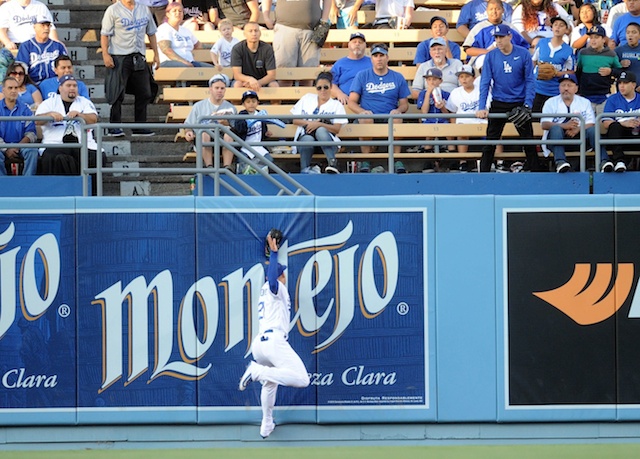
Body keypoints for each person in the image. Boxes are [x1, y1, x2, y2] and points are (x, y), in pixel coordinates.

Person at [238, 233, 310, 440]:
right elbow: (272, 278)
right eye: (283, 274)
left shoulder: (266, 291)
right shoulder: (276, 289)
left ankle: (266, 423)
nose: (285, 276)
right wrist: (275, 253)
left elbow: (271, 276)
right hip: (273, 342)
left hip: (260, 345)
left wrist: (270, 253)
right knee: (302, 379)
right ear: (279, 277)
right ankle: (256, 371)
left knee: (270, 383)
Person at [476, 24, 541, 172]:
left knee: (528, 142)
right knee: (490, 143)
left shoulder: (523, 53)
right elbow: (485, 82)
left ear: (510, 36)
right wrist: (481, 107)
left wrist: (527, 104)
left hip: (518, 103)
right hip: (498, 102)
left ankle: (537, 174)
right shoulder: (491, 56)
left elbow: (530, 80)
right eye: (496, 37)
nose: (498, 40)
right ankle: (483, 175)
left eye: (501, 37)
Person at [101, 0, 159, 137]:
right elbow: (105, 34)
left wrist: (156, 54)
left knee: (144, 92)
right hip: (119, 55)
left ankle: (139, 126)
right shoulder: (113, 10)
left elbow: (151, 33)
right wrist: (105, 54)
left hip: (139, 55)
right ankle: (114, 126)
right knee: (117, 92)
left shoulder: (144, 9)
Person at [348, 43, 411, 160]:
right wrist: (362, 111)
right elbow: (351, 101)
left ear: (387, 57)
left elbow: (404, 104)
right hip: (369, 115)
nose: (379, 59)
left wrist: (398, 110)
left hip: (389, 115)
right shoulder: (362, 75)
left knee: (397, 118)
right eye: (375, 56)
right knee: (365, 118)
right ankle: (366, 160)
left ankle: (396, 159)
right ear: (371, 58)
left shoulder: (398, 77)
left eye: (381, 55)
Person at [35, 75, 100, 175]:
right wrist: (49, 115)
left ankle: (92, 190)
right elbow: (37, 121)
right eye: (68, 85)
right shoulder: (49, 103)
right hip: (55, 144)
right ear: (60, 88)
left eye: (74, 86)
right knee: (56, 158)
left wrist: (80, 115)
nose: (72, 88)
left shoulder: (84, 102)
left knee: (96, 157)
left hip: (82, 144)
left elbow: (93, 119)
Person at [540, 73, 601, 173]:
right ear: (559, 88)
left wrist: (578, 129)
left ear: (576, 88)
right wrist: (564, 126)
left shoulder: (584, 102)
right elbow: (544, 124)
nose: (566, 88)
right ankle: (560, 162)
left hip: (579, 140)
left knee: (592, 131)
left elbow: (591, 123)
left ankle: (603, 161)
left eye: (569, 85)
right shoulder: (550, 102)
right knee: (555, 129)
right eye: (563, 85)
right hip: (556, 140)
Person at [261, 0, 331, 84]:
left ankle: (306, 97)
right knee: (284, 73)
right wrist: (266, 17)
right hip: (285, 27)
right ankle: (283, 97)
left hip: (311, 30)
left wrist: (324, 20)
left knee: (308, 75)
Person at [291, 72, 347, 174]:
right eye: (319, 88)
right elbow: (295, 120)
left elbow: (337, 129)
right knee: (308, 139)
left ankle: (333, 163)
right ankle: (304, 170)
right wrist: (310, 124)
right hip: (306, 136)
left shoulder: (336, 105)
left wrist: (319, 124)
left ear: (330, 87)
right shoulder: (307, 98)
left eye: (325, 87)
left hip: (327, 141)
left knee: (321, 131)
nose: (322, 90)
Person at [184, 74, 237, 170]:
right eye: (217, 88)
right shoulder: (198, 106)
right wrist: (188, 132)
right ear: (210, 89)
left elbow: (236, 127)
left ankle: (227, 167)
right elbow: (188, 125)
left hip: (223, 137)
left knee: (229, 135)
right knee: (205, 133)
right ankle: (209, 166)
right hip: (204, 137)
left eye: (222, 88)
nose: (219, 91)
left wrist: (227, 123)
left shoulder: (231, 107)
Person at [532, 16, 575, 114]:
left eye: (561, 25)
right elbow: (533, 61)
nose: (557, 28)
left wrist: (556, 73)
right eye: (555, 25)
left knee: (553, 121)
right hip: (538, 88)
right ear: (552, 28)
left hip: (554, 91)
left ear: (566, 29)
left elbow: (571, 71)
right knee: (535, 121)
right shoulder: (542, 43)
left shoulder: (568, 50)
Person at [576, 25, 622, 115]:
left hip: (603, 95)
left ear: (604, 39)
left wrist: (611, 71)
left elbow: (620, 72)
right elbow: (578, 72)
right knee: (587, 124)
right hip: (586, 96)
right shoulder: (583, 53)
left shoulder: (611, 54)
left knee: (602, 123)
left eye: (596, 37)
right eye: (591, 37)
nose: (593, 40)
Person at [463, 0, 529, 62]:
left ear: (503, 10)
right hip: (484, 61)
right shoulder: (479, 28)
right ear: (487, 11)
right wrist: (487, 52)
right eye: (491, 9)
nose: (494, 12)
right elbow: (468, 49)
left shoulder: (511, 28)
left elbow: (524, 47)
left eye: (497, 9)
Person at [231, 90, 279, 174]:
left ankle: (259, 176)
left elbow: (262, 131)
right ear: (244, 104)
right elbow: (239, 129)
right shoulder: (241, 115)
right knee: (243, 161)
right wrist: (248, 123)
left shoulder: (260, 114)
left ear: (258, 102)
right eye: (248, 102)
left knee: (269, 160)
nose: (251, 104)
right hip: (245, 147)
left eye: (253, 101)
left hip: (259, 146)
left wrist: (266, 134)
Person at [600, 71, 640, 172]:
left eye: (625, 83)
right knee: (615, 126)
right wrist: (624, 123)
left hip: (636, 133)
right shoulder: (613, 99)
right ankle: (619, 161)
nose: (622, 86)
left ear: (634, 85)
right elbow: (606, 123)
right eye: (620, 83)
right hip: (619, 135)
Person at [0, 76, 38, 176]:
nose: (13, 91)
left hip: (21, 146)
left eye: (16, 88)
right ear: (3, 90)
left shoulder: (25, 109)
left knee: (32, 151)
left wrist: (17, 147)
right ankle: (3, 185)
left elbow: (31, 133)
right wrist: (6, 149)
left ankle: (27, 184)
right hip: (1, 146)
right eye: (10, 88)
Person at [156, 2, 213, 67]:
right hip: (169, 62)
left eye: (180, 11)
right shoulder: (164, 28)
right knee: (187, 68)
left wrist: (215, 46)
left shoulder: (185, 30)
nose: (178, 13)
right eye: (174, 11)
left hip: (189, 62)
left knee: (212, 69)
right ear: (168, 14)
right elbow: (166, 50)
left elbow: (199, 45)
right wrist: (184, 62)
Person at [16, 16, 67, 84]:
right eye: (42, 25)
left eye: (48, 25)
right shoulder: (26, 46)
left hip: (55, 84)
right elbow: (21, 69)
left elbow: (66, 68)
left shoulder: (58, 46)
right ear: (34, 27)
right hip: (33, 84)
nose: (46, 28)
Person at [416, 68, 451, 164]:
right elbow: (424, 112)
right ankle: (428, 162)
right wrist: (428, 94)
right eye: (429, 79)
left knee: (450, 133)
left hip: (443, 120)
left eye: (434, 79)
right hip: (429, 120)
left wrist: (442, 107)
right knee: (429, 134)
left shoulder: (446, 94)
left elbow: (447, 115)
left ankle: (452, 160)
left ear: (440, 81)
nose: (431, 82)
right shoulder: (423, 94)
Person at [231, 21, 278, 90]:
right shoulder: (237, 48)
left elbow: (271, 75)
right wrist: (249, 79)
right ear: (245, 34)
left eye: (256, 31)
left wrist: (256, 83)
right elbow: (237, 75)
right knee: (237, 84)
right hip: (244, 81)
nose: (254, 34)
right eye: (250, 31)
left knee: (274, 85)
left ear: (260, 33)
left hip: (263, 81)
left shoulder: (267, 48)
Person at [331, 32, 371, 105]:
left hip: (368, 101)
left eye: (360, 42)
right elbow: (331, 84)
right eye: (354, 42)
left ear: (365, 45)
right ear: (349, 45)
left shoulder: (372, 62)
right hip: (344, 101)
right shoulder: (340, 64)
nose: (357, 44)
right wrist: (339, 94)